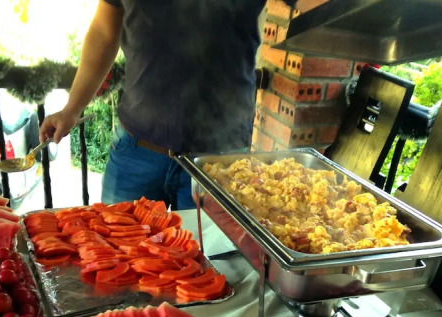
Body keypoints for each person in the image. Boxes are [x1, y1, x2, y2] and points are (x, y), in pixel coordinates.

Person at [39, 0, 305, 209]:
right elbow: (104, 32)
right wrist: (72, 109)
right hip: (135, 150)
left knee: (212, 261)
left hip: (221, 161)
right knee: (117, 257)